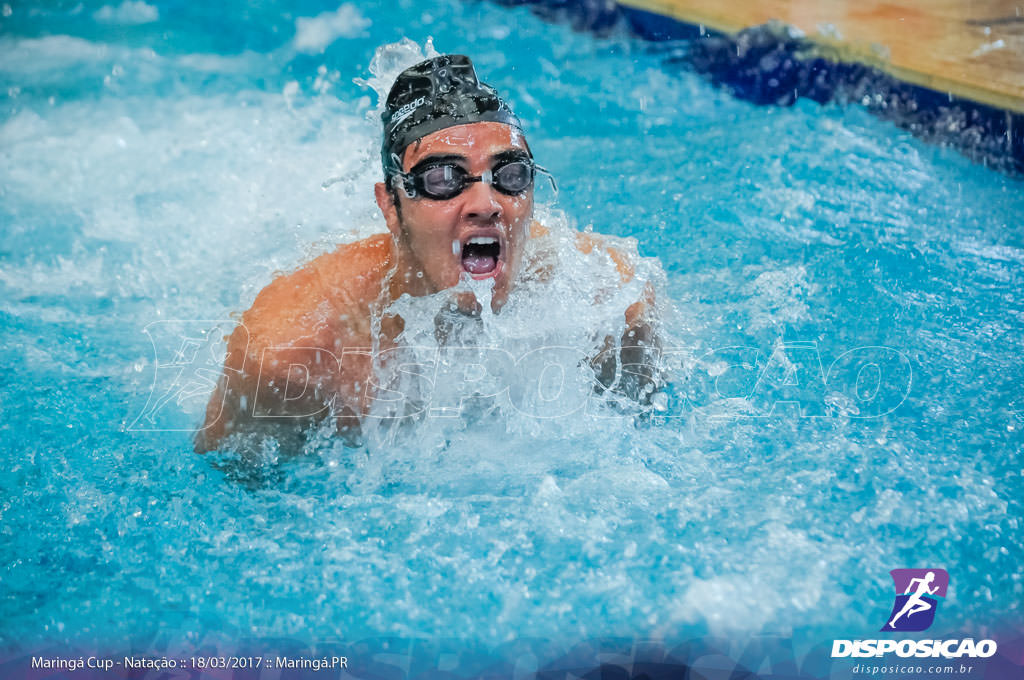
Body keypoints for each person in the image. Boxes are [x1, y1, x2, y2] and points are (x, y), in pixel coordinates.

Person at [195, 54, 658, 454]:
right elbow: (229, 500)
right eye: (442, 179)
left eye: (510, 174)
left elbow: (648, 432)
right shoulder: (291, 354)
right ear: (390, 206)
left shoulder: (610, 303)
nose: (486, 204)